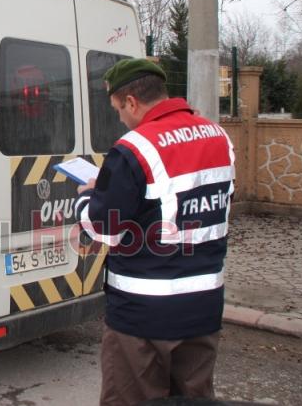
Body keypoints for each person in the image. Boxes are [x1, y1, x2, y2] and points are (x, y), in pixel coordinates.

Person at [75, 58, 235, 406]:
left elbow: (104, 227)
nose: (120, 117)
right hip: (204, 310)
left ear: (131, 101)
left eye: (118, 108)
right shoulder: (219, 137)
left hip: (142, 318)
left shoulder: (134, 148)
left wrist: (87, 196)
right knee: (193, 399)